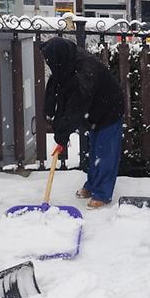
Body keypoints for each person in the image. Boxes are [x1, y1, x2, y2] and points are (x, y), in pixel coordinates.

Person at [41, 37, 124, 208]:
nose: (49, 64)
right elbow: (58, 90)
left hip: (109, 109)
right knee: (94, 152)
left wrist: (62, 134)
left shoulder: (86, 70)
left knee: (105, 154)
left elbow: (75, 107)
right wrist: (53, 117)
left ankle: (102, 193)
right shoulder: (66, 61)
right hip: (93, 110)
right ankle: (92, 184)